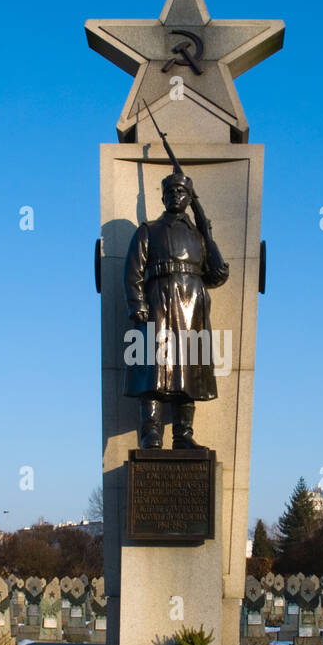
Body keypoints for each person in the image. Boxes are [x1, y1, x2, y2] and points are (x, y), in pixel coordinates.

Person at [123, 173, 228, 449]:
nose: (175, 196)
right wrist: (138, 304)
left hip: (192, 306)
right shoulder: (149, 230)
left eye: (181, 192)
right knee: (153, 372)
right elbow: (133, 271)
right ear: (163, 197)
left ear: (189, 198)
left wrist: (209, 235)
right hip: (159, 303)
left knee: (189, 373)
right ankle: (151, 433)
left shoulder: (199, 236)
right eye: (170, 192)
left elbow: (216, 276)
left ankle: (183, 435)